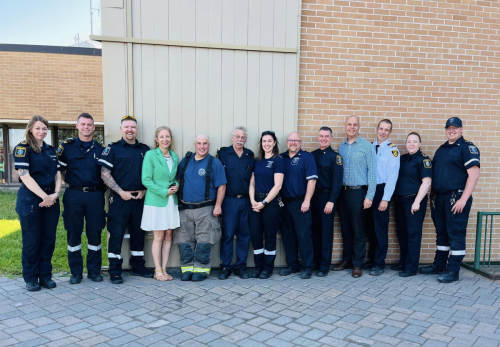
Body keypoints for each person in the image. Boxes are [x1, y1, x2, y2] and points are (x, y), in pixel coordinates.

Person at [419, 117, 480, 283]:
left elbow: (473, 176)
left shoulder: (467, 148)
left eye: (455, 128)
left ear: (461, 129)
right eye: (449, 128)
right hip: (439, 199)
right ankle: (439, 265)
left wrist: (463, 199)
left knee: (456, 234)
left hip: (457, 198)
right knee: (442, 233)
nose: (451, 131)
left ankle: (453, 270)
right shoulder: (442, 149)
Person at [97, 115, 153, 284]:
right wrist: (121, 192)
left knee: (138, 234)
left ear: (137, 130)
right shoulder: (112, 149)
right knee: (116, 235)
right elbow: (104, 174)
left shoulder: (145, 150)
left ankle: (138, 266)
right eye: (126, 127)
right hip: (119, 199)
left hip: (139, 199)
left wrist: (144, 190)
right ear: (121, 129)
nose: (130, 130)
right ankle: (115, 270)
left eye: (133, 127)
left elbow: (151, 174)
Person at [14, 115, 61, 291]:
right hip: (31, 200)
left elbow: (58, 174)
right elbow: (24, 175)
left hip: (51, 199)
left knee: (48, 240)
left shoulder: (51, 150)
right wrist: (45, 197)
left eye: (44, 129)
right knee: (32, 240)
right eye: (38, 128)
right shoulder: (22, 148)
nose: (41, 132)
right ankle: (31, 277)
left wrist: (55, 193)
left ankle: (45, 276)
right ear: (30, 129)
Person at [57, 113, 106, 284]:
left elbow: (106, 174)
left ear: (94, 127)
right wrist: (70, 184)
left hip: (95, 195)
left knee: (95, 233)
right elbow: (60, 171)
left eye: (90, 124)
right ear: (77, 126)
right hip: (73, 195)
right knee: (73, 234)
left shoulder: (101, 149)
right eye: (83, 124)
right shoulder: (67, 147)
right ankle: (76, 272)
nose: (86, 127)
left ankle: (94, 271)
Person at [175, 134, 227, 282]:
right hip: (184, 208)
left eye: (205, 143)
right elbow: (178, 181)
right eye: (199, 143)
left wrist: (218, 205)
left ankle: (201, 270)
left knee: (204, 242)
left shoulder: (214, 163)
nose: (202, 146)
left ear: (209, 145)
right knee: (184, 242)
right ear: (195, 145)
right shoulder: (185, 161)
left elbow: (222, 186)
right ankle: (187, 269)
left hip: (206, 209)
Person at [333, 115, 377, 278]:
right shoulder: (342, 147)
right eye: (349, 124)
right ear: (345, 126)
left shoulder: (367, 147)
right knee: (345, 228)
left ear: (359, 127)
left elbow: (373, 173)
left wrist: (369, 196)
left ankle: (357, 264)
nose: (352, 127)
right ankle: (347, 260)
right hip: (343, 193)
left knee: (358, 229)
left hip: (359, 192)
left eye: (355, 125)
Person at [141, 126, 180, 281]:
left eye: (167, 136)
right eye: (162, 137)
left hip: (171, 201)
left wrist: (177, 185)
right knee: (158, 236)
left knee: (169, 235)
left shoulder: (174, 156)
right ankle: (157, 270)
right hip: (157, 201)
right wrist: (164, 191)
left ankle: (164, 268)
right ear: (157, 140)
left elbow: (174, 177)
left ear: (171, 139)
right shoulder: (151, 155)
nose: (165, 139)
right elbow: (146, 180)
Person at [279, 132, 318, 279]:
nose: (293, 142)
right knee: (288, 236)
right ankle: (292, 265)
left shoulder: (307, 158)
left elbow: (312, 181)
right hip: (284, 204)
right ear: (287, 142)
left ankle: (308, 267)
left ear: (301, 143)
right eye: (290, 140)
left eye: (296, 140)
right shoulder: (281, 158)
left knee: (304, 236)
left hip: (301, 203)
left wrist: (307, 200)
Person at [217, 127, 254, 280]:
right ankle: (226, 266)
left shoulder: (249, 155)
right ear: (232, 137)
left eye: (243, 137)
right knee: (227, 234)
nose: (240, 139)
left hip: (245, 201)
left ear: (245, 140)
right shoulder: (223, 154)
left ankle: (241, 266)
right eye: (237, 136)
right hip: (229, 201)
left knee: (244, 235)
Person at [364, 119, 400, 276]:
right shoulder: (369, 147)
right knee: (369, 227)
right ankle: (372, 259)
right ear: (377, 129)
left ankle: (379, 263)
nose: (383, 132)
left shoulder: (393, 151)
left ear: (390, 132)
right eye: (381, 128)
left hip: (381, 191)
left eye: (387, 130)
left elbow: (393, 177)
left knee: (380, 229)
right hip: (368, 190)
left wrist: (385, 198)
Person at [393, 132, 432, 277]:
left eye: (415, 141)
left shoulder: (423, 160)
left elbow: (427, 182)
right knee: (402, 233)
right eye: (409, 141)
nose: (411, 144)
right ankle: (403, 262)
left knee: (413, 235)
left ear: (420, 143)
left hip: (414, 202)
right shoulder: (402, 159)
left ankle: (411, 267)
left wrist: (416, 202)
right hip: (400, 201)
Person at [249, 131, 284, 279]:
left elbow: (278, 186)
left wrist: (263, 203)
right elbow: (252, 183)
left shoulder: (278, 160)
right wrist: (253, 201)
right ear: (261, 143)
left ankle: (268, 268)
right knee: (256, 236)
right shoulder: (257, 161)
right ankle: (258, 266)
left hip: (270, 204)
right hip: (255, 203)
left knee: (269, 236)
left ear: (274, 143)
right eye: (264, 141)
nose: (267, 144)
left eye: (270, 141)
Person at [311, 127, 343, 277]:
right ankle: (315, 263)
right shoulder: (312, 155)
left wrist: (331, 201)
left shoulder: (335, 157)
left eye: (326, 136)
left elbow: (337, 182)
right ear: (318, 137)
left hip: (326, 198)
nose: (323, 139)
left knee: (325, 232)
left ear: (331, 138)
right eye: (321, 136)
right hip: (312, 199)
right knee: (314, 232)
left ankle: (324, 266)